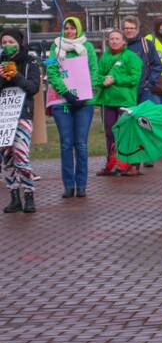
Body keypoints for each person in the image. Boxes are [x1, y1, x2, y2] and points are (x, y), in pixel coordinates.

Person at [48, 17, 97, 198]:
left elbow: (93, 71)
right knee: (66, 144)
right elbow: (52, 73)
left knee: (81, 145)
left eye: (72, 28)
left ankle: (82, 184)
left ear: (78, 29)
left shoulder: (88, 47)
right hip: (62, 103)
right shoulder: (56, 47)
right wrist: (66, 92)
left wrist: (85, 92)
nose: (69, 32)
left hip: (84, 103)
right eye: (66, 29)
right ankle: (68, 185)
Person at [94, 29, 143, 177]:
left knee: (126, 133)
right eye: (111, 39)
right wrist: (103, 81)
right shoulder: (104, 57)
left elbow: (134, 78)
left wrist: (116, 80)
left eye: (117, 38)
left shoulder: (131, 57)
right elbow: (97, 76)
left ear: (123, 41)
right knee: (110, 133)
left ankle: (129, 164)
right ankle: (111, 163)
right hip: (108, 101)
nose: (114, 41)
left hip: (125, 101)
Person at [0, 29, 39, 214]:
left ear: (18, 42)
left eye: (10, 41)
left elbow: (33, 88)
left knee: (21, 156)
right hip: (4, 117)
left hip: (23, 115)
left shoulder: (29, 62)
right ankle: (14, 196)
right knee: (7, 159)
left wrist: (16, 76)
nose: (7, 45)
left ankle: (29, 193)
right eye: (4, 42)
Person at [122, 16, 162, 105]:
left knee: (145, 117)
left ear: (137, 29)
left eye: (132, 28)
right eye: (126, 28)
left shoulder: (146, 44)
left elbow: (157, 65)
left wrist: (149, 83)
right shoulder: (119, 46)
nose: (128, 30)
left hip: (144, 91)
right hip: (125, 91)